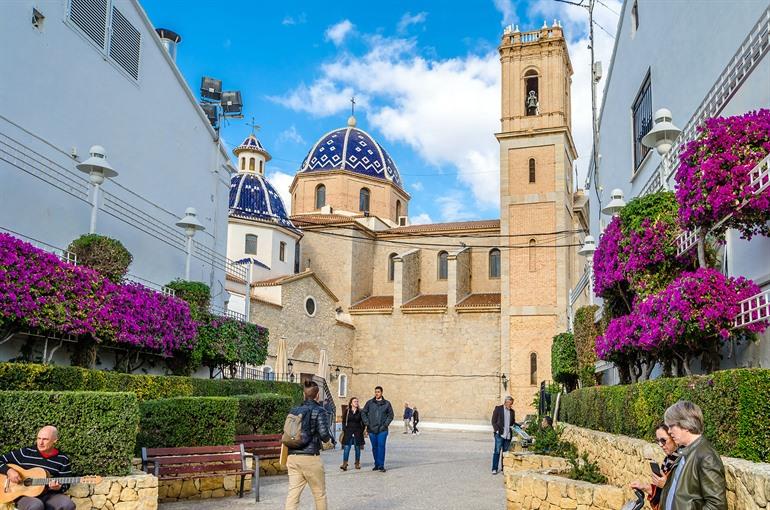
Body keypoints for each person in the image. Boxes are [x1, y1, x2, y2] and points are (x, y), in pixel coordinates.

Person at [658, 400, 727, 510]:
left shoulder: (706, 456)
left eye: (671, 426)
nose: (669, 431)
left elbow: (716, 505)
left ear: (685, 425)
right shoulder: (685, 451)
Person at [285, 380, 335, 510]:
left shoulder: (294, 410)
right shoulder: (319, 410)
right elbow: (324, 436)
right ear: (317, 395)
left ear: (303, 394)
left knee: (293, 495)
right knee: (319, 494)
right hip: (310, 457)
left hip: (292, 457)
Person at [0, 426, 75, 510]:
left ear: (55, 440)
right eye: (39, 438)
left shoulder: (63, 459)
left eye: (45, 439)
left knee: (67, 504)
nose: (40, 442)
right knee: (36, 505)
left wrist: (59, 487)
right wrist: (8, 471)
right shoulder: (25, 453)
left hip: (48, 495)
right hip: (22, 495)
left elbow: (65, 484)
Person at [630, 424, 678, 510]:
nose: (660, 444)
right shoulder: (667, 462)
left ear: (674, 437)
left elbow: (689, 496)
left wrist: (666, 486)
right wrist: (645, 487)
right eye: (658, 440)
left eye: (663, 440)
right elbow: (662, 494)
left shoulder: (683, 462)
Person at [361, 385, 394, 472]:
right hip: (371, 429)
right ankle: (376, 464)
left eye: (378, 392)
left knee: (381, 446)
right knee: (374, 447)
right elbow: (363, 413)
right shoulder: (369, 403)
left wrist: (385, 425)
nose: (377, 393)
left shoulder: (387, 403)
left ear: (382, 393)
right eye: (375, 392)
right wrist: (367, 423)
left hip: (382, 430)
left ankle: (381, 465)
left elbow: (391, 415)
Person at [491, 396, 517, 474]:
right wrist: (497, 430)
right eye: (510, 403)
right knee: (497, 451)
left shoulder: (512, 411)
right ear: (506, 402)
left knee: (505, 453)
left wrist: (520, 426)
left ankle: (504, 468)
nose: (511, 405)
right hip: (500, 434)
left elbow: (513, 423)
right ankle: (494, 468)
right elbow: (493, 421)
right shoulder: (498, 409)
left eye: (512, 404)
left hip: (508, 435)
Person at [339, 397, 365, 471]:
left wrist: (361, 430)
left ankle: (357, 463)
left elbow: (363, 423)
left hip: (357, 432)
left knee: (357, 448)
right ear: (351, 403)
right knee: (347, 448)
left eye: (357, 401)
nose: (356, 402)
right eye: (355, 401)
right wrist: (345, 429)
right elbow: (344, 421)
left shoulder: (360, 412)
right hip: (348, 432)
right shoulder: (347, 411)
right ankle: (345, 464)